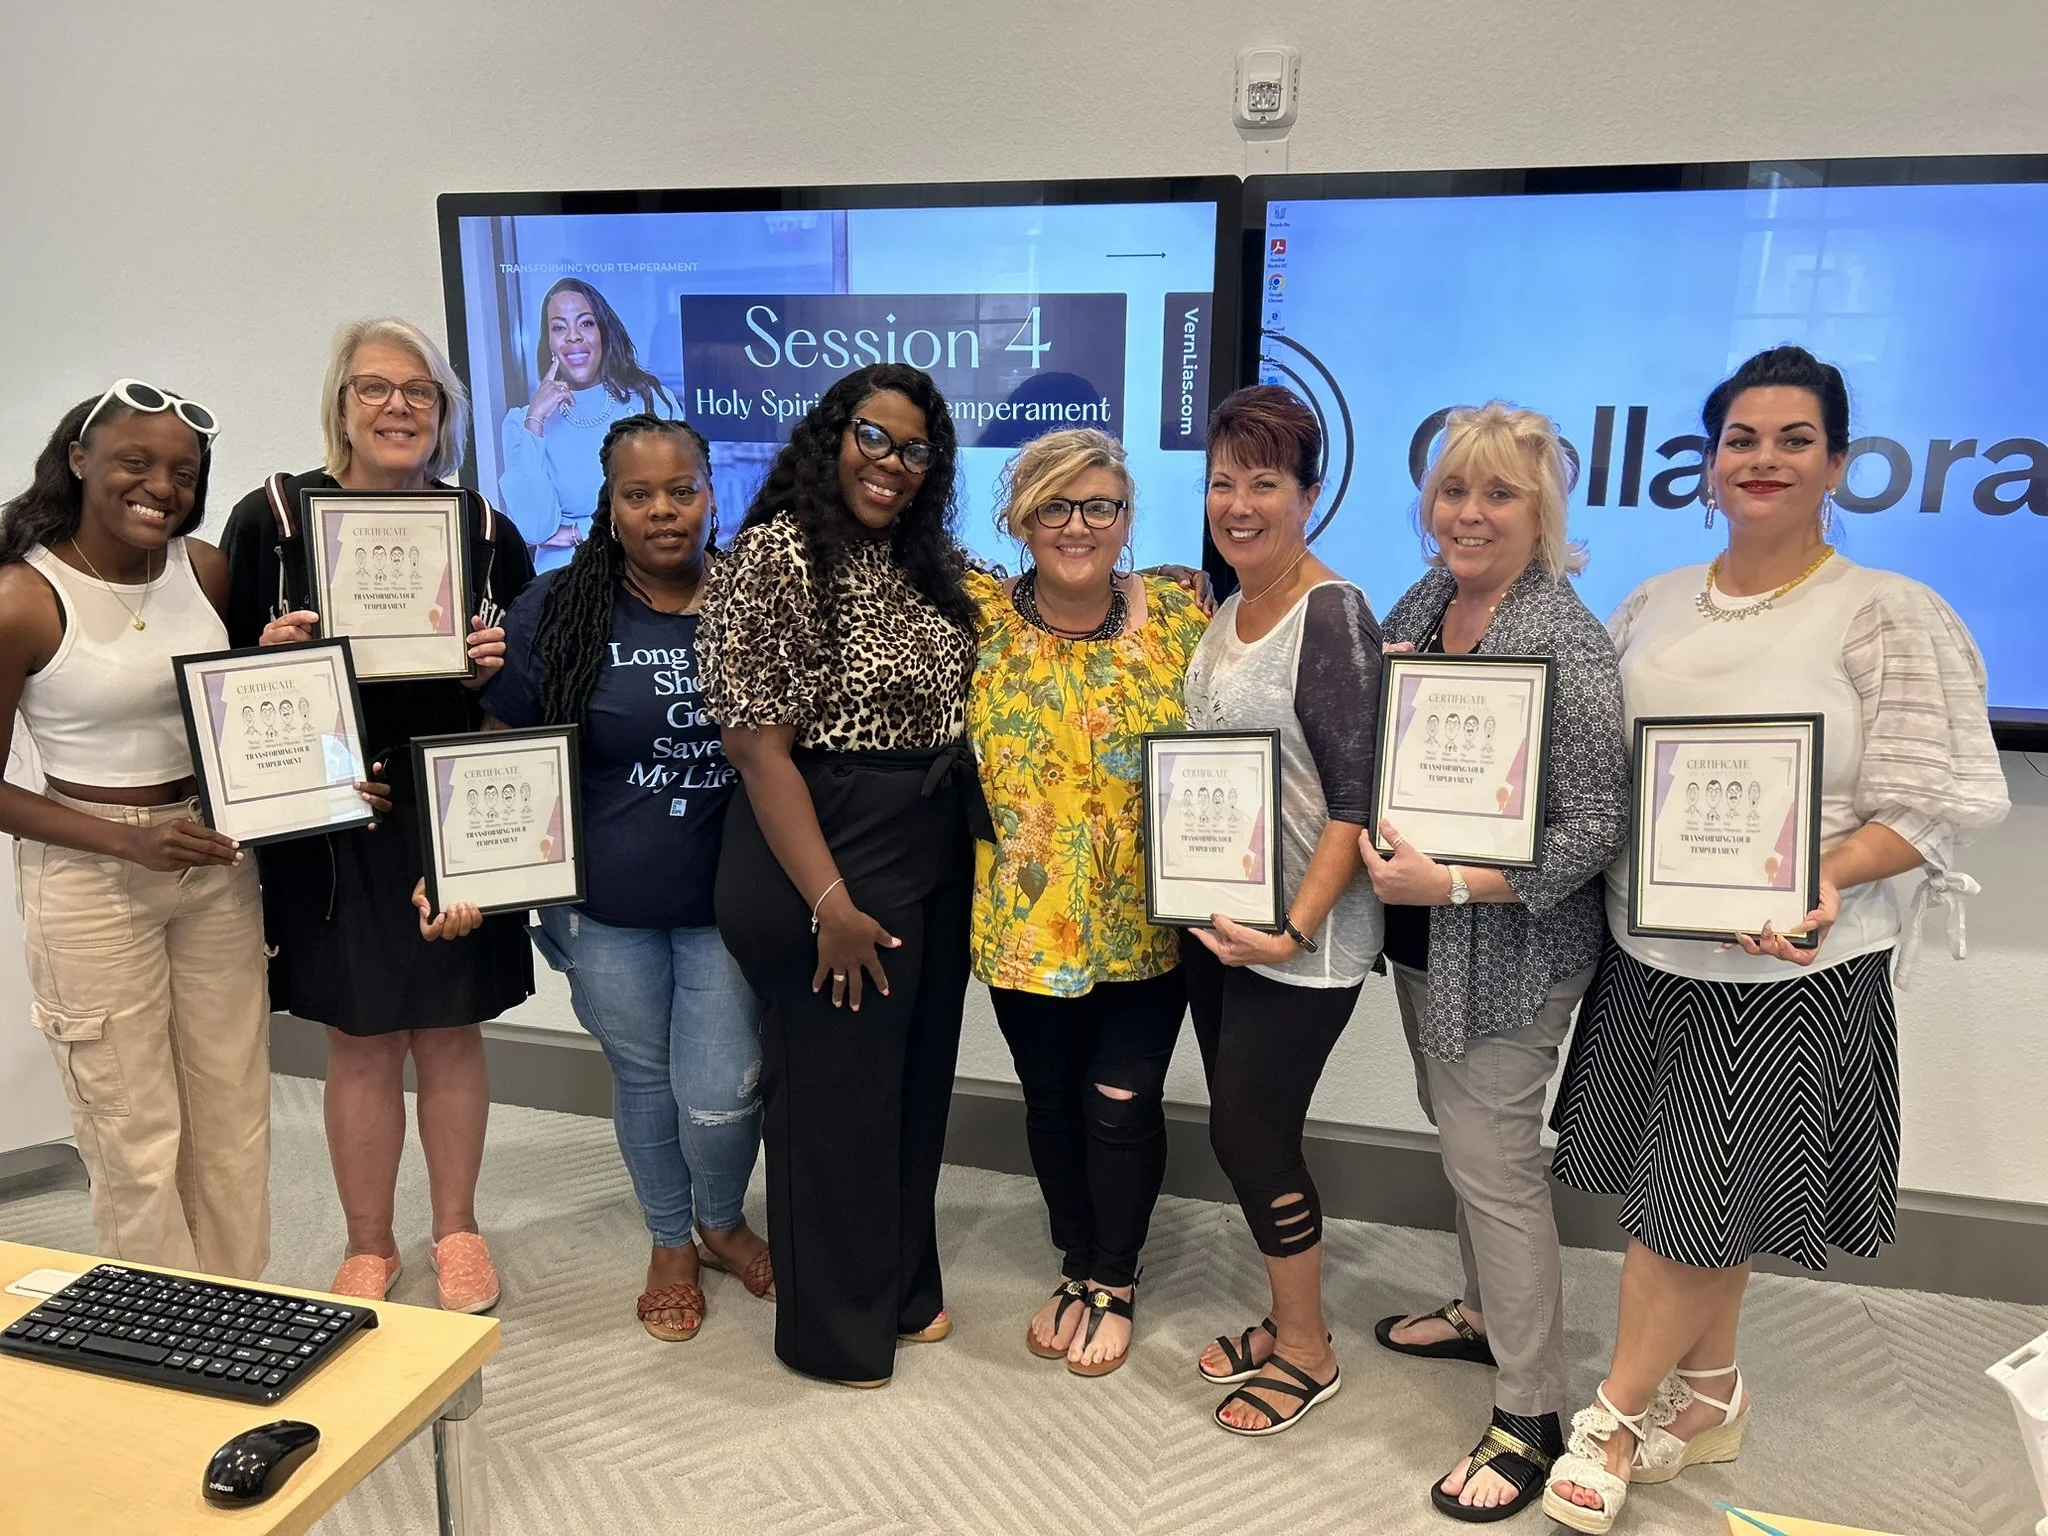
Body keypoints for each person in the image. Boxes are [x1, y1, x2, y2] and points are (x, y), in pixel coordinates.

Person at [1542, 347, 2010, 1532]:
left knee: (1682, 1206)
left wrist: (1820, 880)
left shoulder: (1884, 611)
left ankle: (1610, 1410)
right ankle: (1707, 1399)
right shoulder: (1648, 600)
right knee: (1705, 1195)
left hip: (1792, 968)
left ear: (1838, 464)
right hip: (1650, 953)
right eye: (1740, 439)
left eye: (1792, 439)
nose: (1762, 459)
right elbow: (1589, 762)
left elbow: (1923, 802)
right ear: (1708, 464)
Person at [221, 317, 536, 1312]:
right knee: (358, 1039)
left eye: (420, 393)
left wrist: (496, 671)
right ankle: (369, 1243)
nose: (397, 407)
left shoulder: (485, 530)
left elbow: (517, 702)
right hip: (325, 817)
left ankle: (456, 1232)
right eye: (374, 389)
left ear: (444, 415)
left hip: (448, 814)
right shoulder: (269, 519)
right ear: (341, 407)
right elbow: (216, 690)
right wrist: (271, 658)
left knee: (449, 1031)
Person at [1364, 404, 1628, 1521]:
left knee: (1493, 1164)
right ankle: (1481, 1316)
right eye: (1451, 493)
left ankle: (1530, 1411)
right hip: (1426, 940)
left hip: (1507, 947)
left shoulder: (1563, 637)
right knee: (1460, 1139)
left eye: (1496, 494)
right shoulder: (1426, 602)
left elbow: (1598, 823)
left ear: (1540, 511)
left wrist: (1462, 882)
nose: (1467, 515)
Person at [699, 363, 980, 1388]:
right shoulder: (777, 553)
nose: (892, 465)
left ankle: (901, 1291)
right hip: (823, 847)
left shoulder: (921, 559)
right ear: (833, 436)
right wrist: (830, 904)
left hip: (926, 841)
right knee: (836, 1105)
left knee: (908, 1090)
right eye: (875, 437)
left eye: (915, 452)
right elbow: (757, 749)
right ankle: (833, 1334)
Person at [463, 412, 771, 1342]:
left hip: (729, 903)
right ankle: (672, 1238)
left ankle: (722, 1219)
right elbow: (501, 746)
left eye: (682, 490)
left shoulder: (757, 603)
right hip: (604, 908)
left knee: (721, 1090)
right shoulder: (557, 608)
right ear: (610, 507)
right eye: (639, 495)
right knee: (643, 1077)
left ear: (713, 496)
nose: (663, 511)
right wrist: (471, 860)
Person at [0, 382, 272, 1277]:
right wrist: (125, 840)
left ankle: (239, 1310)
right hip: (88, 867)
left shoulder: (206, 570)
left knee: (233, 1111)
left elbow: (230, 718)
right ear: (78, 461)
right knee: (134, 1130)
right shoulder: (25, 598)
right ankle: (156, 1334)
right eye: (135, 463)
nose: (161, 486)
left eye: (182, 473)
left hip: (211, 855)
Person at [966, 428, 1208, 1377]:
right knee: (1051, 1104)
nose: (1079, 525)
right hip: (1024, 922)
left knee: (1119, 1101)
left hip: (1147, 921)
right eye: (1055, 507)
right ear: (1020, 518)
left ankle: (1116, 1276)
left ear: (1126, 517)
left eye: (1100, 505)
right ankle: (1076, 1262)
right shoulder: (977, 615)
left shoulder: (1183, 616)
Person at [1183, 385, 1383, 1437]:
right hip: (1223, 927)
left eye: (1264, 482)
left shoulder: (1331, 612)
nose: (1239, 503)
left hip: (1299, 937)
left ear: (1309, 493)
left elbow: (1354, 800)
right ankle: (1281, 1320)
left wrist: (1295, 928)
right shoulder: (1226, 610)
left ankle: (1306, 1349)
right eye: (1222, 481)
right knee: (1245, 1131)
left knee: (1249, 1134)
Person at [499, 278, 681, 572]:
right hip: (561, 586)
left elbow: (669, 504)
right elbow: (534, 528)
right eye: (559, 327)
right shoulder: (521, 423)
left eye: (585, 323)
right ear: (549, 342)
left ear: (603, 332)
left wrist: (578, 532)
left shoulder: (652, 402)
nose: (573, 337)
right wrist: (535, 422)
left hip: (644, 575)